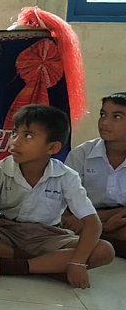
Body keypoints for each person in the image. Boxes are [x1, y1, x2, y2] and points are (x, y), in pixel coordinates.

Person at [0, 105, 114, 287]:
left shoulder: (66, 176)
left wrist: (77, 263)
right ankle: (49, 267)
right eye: (14, 133)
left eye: (28, 136)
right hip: (6, 230)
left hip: (48, 236)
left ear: (53, 147)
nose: (15, 142)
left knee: (104, 251)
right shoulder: (0, 170)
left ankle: (16, 266)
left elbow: (92, 223)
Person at [65, 92, 126, 257]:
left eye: (117, 117)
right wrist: (102, 223)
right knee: (62, 224)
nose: (105, 122)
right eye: (102, 114)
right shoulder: (81, 154)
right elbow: (65, 201)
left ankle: (94, 237)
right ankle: (100, 236)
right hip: (83, 215)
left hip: (117, 218)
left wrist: (100, 220)